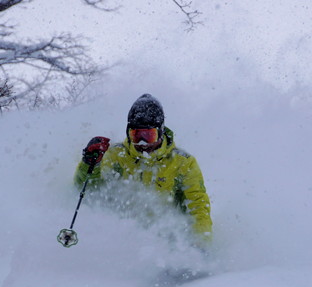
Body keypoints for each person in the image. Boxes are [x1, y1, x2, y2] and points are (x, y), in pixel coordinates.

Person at [73, 94, 212, 246]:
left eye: (149, 135)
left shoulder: (183, 162)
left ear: (161, 131)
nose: (142, 143)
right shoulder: (116, 155)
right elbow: (89, 191)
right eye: (136, 135)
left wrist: (200, 244)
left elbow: (198, 206)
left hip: (166, 243)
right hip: (120, 239)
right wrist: (90, 163)